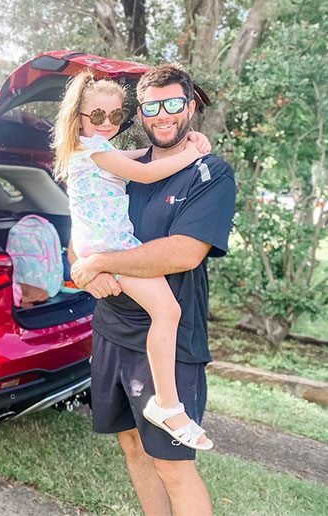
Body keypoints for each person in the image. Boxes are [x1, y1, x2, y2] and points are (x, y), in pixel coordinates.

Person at [70, 64, 236, 516]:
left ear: (191, 106)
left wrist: (101, 263)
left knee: (173, 466)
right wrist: (86, 269)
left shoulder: (209, 173)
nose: (163, 115)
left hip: (170, 345)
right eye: (152, 107)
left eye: (173, 104)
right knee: (132, 446)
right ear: (140, 113)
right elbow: (84, 228)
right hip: (112, 333)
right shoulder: (122, 165)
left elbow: (184, 253)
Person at [52, 71, 214, 452]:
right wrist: (192, 154)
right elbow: (145, 171)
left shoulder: (92, 148)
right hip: (111, 246)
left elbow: (139, 156)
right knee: (168, 311)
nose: (108, 123)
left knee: (165, 312)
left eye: (116, 116)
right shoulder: (92, 151)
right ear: (79, 117)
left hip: (105, 244)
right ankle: (167, 404)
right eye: (98, 116)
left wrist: (189, 140)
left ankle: (166, 403)